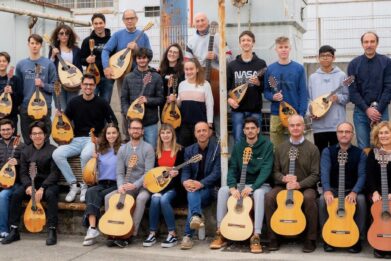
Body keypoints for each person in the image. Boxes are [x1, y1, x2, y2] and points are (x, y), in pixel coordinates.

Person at [210, 117, 273, 253]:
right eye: (247, 129)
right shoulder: (239, 146)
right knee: (222, 190)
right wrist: (232, 187)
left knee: (258, 194)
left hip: (261, 184)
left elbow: (266, 169)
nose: (250, 131)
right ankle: (220, 231)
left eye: (252, 128)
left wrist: (253, 187)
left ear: (258, 130)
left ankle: (256, 235)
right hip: (241, 183)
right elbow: (232, 168)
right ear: (243, 131)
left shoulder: (267, 145)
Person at [52, 73, 117, 203]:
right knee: (57, 154)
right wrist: (59, 117)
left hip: (93, 139)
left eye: (91, 84)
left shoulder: (102, 103)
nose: (88, 87)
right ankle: (73, 184)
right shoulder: (74, 102)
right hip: (75, 139)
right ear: (81, 85)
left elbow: (113, 122)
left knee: (86, 155)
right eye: (86, 84)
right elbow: (65, 123)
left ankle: (84, 186)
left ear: (95, 86)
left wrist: (102, 138)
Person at [265, 115, 320, 253]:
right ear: (287, 127)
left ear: (304, 127)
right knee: (270, 197)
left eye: (298, 125)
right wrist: (283, 179)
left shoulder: (312, 149)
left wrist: (299, 185)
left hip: (305, 187)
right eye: (292, 125)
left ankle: (310, 238)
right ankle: (273, 237)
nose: (295, 128)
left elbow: (315, 175)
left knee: (309, 198)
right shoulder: (280, 148)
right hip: (283, 186)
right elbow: (274, 171)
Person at [2, 121, 60, 246]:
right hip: (31, 184)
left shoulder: (53, 150)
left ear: (45, 135)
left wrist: (42, 188)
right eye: (34, 134)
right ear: (30, 136)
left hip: (48, 185)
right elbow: (23, 173)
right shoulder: (25, 151)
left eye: (40, 133)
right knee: (17, 194)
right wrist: (28, 186)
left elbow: (55, 173)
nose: (37, 136)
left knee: (51, 195)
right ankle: (14, 230)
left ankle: (52, 230)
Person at [104, 118, 154, 248]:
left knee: (141, 198)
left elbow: (148, 173)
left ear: (142, 131)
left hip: (143, 186)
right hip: (126, 185)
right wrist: (121, 186)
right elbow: (120, 172)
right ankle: (112, 231)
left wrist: (135, 185)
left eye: (138, 128)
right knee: (108, 197)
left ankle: (130, 233)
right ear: (129, 130)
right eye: (133, 128)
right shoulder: (123, 149)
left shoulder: (148, 149)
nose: (135, 130)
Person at [319, 122, 366, 253]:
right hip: (333, 189)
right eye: (341, 131)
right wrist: (327, 190)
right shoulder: (328, 151)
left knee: (361, 201)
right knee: (323, 200)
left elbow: (362, 175)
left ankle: (357, 239)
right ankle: (327, 237)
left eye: (347, 131)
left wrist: (355, 192)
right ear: (337, 134)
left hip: (352, 190)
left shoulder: (360, 153)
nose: (344, 134)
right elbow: (324, 172)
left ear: (352, 134)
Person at [185, 12, 232, 134]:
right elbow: (187, 63)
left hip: (216, 82)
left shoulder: (218, 37)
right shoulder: (191, 41)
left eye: (203, 20)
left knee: (218, 119)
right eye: (198, 21)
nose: (200, 23)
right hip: (199, 81)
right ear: (194, 24)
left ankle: (221, 148)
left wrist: (216, 56)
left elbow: (229, 57)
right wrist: (202, 60)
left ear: (208, 22)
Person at [180, 121, 221, 250]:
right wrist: (185, 181)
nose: (202, 133)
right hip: (194, 188)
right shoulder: (189, 150)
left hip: (210, 188)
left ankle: (188, 235)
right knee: (192, 192)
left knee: (193, 195)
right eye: (199, 131)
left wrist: (201, 183)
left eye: (204, 130)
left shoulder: (217, 149)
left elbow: (217, 172)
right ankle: (196, 217)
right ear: (195, 134)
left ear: (209, 132)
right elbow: (185, 170)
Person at [143, 123, 184, 248]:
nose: (165, 135)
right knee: (155, 198)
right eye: (163, 133)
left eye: (168, 132)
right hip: (159, 187)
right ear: (159, 135)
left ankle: (172, 234)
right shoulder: (156, 152)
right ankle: (152, 233)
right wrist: (147, 182)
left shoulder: (180, 150)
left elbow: (185, 172)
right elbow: (153, 174)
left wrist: (178, 173)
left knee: (164, 199)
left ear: (173, 134)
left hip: (175, 188)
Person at [348, 31, 391, 149]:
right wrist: (367, 110)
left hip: (381, 111)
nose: (369, 45)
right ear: (362, 44)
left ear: (377, 43)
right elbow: (352, 91)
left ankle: (383, 168)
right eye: (366, 42)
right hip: (361, 112)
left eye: (372, 41)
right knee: (364, 147)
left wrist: (378, 110)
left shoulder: (387, 63)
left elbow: (389, 88)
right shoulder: (353, 64)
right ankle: (366, 168)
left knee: (383, 145)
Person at [82, 123, 122, 246]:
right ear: (105, 135)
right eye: (108, 133)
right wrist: (94, 159)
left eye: (114, 133)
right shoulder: (100, 150)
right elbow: (94, 172)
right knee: (90, 191)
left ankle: (94, 229)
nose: (111, 135)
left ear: (118, 134)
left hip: (116, 183)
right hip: (103, 183)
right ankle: (93, 229)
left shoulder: (123, 148)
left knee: (100, 196)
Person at [264, 36, 308, 146]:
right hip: (276, 113)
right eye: (280, 47)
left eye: (286, 47)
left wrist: (301, 114)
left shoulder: (299, 68)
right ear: (276, 49)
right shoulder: (270, 69)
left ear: (290, 48)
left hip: (294, 113)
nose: (283, 49)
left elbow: (303, 92)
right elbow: (266, 91)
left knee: (296, 146)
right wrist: (272, 97)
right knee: (275, 148)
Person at [15, 34, 56, 145]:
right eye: (32, 43)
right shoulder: (21, 64)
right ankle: (29, 162)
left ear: (41, 45)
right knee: (28, 138)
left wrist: (43, 84)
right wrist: (18, 104)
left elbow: (55, 87)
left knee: (44, 138)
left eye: (37, 43)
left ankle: (44, 162)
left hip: (43, 107)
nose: (34, 46)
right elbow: (17, 88)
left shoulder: (49, 64)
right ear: (28, 45)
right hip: (26, 107)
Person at [227, 31, 267, 143]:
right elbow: (226, 88)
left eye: (248, 40)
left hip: (255, 110)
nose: (246, 42)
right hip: (237, 110)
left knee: (256, 141)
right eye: (243, 40)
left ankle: (255, 161)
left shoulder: (261, 64)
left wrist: (258, 83)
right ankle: (240, 161)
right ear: (240, 43)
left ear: (253, 43)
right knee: (238, 140)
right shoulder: (232, 65)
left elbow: (266, 88)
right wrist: (229, 99)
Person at [102, 9, 151, 97]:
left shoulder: (143, 36)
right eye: (126, 18)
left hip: (140, 76)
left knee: (138, 102)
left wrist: (137, 49)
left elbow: (149, 55)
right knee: (123, 101)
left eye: (132, 18)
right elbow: (106, 50)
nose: (129, 21)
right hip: (122, 74)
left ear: (136, 19)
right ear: (123, 20)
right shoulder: (117, 35)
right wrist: (106, 67)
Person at [309, 45, 348, 154]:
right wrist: (311, 111)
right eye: (322, 56)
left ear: (333, 58)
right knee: (321, 154)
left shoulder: (341, 75)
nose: (325, 58)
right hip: (319, 124)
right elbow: (309, 98)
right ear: (318, 58)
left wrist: (338, 97)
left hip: (337, 125)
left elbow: (347, 97)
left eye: (328, 55)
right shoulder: (313, 77)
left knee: (337, 155)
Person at [121, 47, 164, 147]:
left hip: (150, 123)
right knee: (134, 151)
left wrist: (147, 100)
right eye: (139, 58)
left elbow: (161, 99)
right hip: (134, 123)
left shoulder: (156, 77)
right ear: (135, 59)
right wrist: (128, 112)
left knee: (151, 151)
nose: (142, 60)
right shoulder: (128, 77)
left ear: (148, 59)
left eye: (144, 58)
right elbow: (124, 98)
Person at [172, 59, 213, 147]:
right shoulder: (182, 84)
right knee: (184, 149)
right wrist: (174, 101)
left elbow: (210, 104)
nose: (189, 71)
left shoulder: (205, 84)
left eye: (191, 69)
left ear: (197, 69)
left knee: (200, 149)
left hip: (200, 124)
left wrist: (209, 124)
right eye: (186, 69)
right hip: (184, 124)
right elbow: (180, 105)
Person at [366, 121, 391, 258]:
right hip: (377, 191)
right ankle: (378, 242)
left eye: (386, 132)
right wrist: (375, 192)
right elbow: (369, 175)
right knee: (376, 208)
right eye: (380, 133)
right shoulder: (373, 153)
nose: (383, 135)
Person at [80, 13, 113, 103]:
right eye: (96, 23)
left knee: (105, 103)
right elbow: (81, 60)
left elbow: (115, 58)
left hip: (107, 78)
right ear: (93, 25)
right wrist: (87, 60)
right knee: (90, 103)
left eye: (100, 23)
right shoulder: (87, 41)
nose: (98, 26)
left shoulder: (111, 39)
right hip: (91, 77)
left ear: (105, 23)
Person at [0, 119, 24, 241]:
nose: (5, 132)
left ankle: (3, 230)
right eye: (3, 129)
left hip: (15, 183)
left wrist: (18, 162)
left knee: (3, 196)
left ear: (13, 130)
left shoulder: (21, 145)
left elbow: (27, 164)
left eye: (8, 129)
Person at [49, 24, 83, 109]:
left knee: (72, 108)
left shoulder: (76, 50)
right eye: (61, 33)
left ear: (69, 36)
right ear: (57, 35)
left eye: (67, 33)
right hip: (58, 82)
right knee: (61, 109)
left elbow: (79, 67)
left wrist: (80, 80)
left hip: (73, 82)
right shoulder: (53, 49)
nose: (64, 35)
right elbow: (50, 66)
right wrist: (53, 56)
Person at [0, 52, 22, 133]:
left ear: (8, 63)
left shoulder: (15, 79)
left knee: (12, 141)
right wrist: (3, 91)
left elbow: (20, 99)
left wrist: (12, 92)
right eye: (0, 61)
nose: (1, 63)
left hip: (11, 116)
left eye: (4, 61)